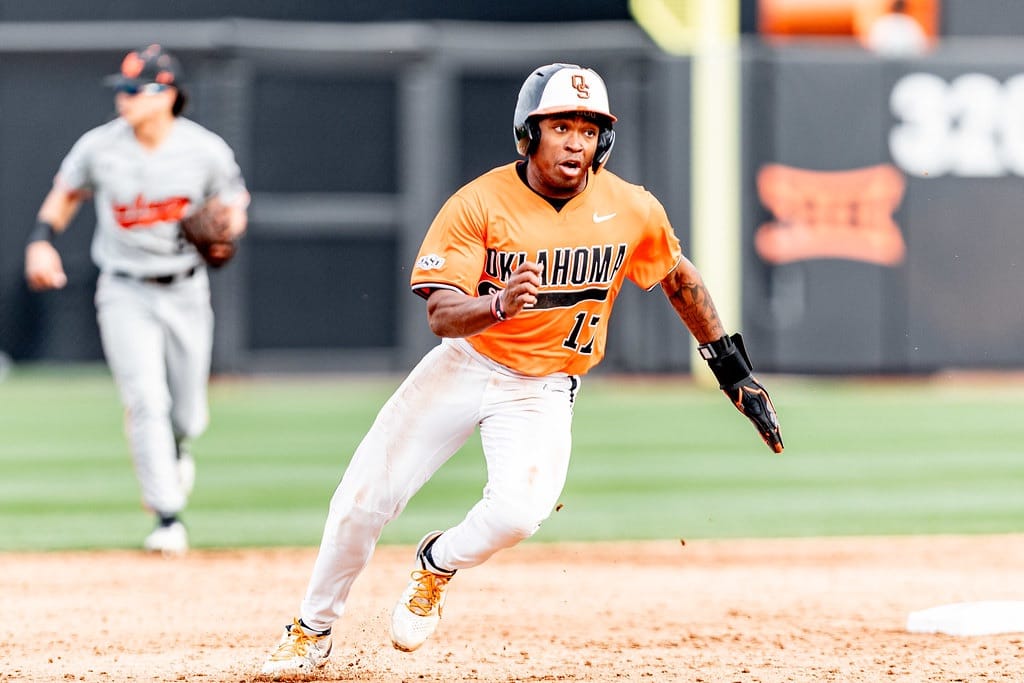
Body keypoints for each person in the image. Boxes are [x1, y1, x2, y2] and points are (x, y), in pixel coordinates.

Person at [260, 63, 783, 678]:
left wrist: (733, 371)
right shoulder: (479, 202)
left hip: (543, 387)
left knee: (518, 515)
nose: (574, 142)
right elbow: (440, 313)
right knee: (361, 500)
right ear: (527, 134)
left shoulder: (630, 207)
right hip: (465, 362)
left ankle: (437, 562)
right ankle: (312, 630)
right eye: (559, 125)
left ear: (603, 142)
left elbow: (680, 279)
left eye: (588, 130)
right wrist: (496, 304)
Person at [23, 44, 249, 555]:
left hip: (186, 287)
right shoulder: (100, 147)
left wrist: (227, 229)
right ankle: (169, 518)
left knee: (188, 413)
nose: (123, 99)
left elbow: (234, 203)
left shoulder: (204, 149)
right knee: (146, 399)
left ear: (167, 93)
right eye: (120, 89)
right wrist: (41, 240)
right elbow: (65, 194)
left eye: (134, 89)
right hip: (124, 288)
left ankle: (178, 446)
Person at [862, 0, 930, 57]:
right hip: (885, 64)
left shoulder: (910, 23)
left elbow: (920, 46)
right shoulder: (911, 23)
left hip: (905, 64)